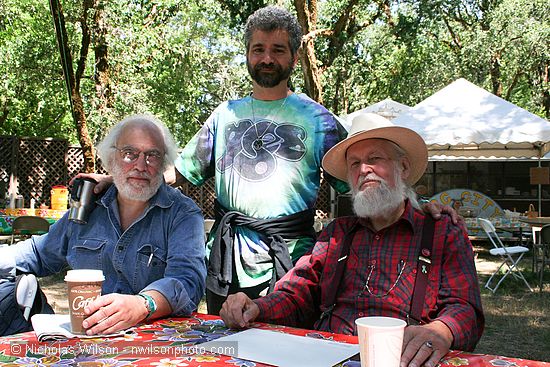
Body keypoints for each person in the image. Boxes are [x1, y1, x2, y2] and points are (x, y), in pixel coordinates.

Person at [80, 6, 458, 316]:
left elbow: (365, 179)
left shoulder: (319, 120)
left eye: (278, 49)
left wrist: (420, 206)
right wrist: (121, 175)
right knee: (224, 344)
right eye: (258, 48)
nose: (267, 57)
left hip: (293, 263)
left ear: (294, 56)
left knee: (286, 349)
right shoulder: (224, 116)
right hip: (225, 259)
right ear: (247, 55)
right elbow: (178, 172)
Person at [220, 113, 484, 367]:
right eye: (354, 163)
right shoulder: (337, 233)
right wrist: (256, 306)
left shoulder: (441, 231)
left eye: (374, 158)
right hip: (327, 355)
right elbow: (297, 292)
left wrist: (441, 329)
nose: (364, 169)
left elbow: (464, 307)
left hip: (403, 358)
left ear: (402, 167)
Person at [0, 114, 206, 336]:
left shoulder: (182, 214)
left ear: (164, 162)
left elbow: (188, 282)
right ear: (111, 159)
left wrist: (143, 305)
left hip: (152, 345)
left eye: (152, 155)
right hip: (83, 343)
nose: (141, 165)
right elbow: (36, 254)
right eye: (129, 154)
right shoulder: (87, 210)